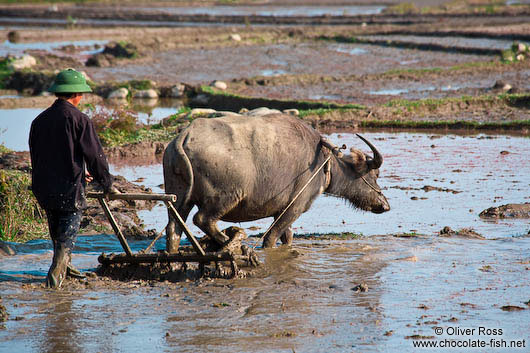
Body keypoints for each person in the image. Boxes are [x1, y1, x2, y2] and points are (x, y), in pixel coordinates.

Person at [29, 68, 117, 288]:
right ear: (77, 94)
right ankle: (54, 284)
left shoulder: (39, 120)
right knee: (65, 240)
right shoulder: (79, 119)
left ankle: (66, 268)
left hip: (44, 188)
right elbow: (94, 155)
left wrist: (78, 169)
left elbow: (39, 155)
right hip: (68, 189)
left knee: (57, 234)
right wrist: (106, 182)